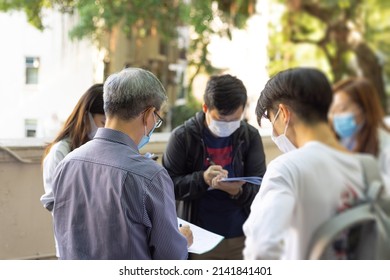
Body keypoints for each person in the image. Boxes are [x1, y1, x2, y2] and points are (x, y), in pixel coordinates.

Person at [52, 68, 190, 259]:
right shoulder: (150, 176)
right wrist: (182, 240)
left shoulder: (67, 164)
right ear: (148, 114)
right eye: (156, 119)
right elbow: (169, 257)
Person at [243, 67, 369, 259]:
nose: (275, 134)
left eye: (272, 120)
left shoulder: (286, 170)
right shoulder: (366, 166)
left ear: (284, 113)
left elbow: (262, 249)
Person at [162, 74, 266, 260]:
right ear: (205, 108)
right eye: (220, 119)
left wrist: (237, 192)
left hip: (241, 236)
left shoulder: (249, 137)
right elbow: (167, 188)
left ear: (242, 110)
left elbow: (260, 187)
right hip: (196, 237)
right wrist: (202, 179)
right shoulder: (183, 137)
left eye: (234, 119)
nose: (227, 125)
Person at [40, 84, 105, 257]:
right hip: (74, 246)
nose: (105, 131)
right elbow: (61, 206)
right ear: (85, 117)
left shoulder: (101, 149)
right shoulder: (60, 152)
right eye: (103, 123)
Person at [329, 77, 390, 185]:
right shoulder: (339, 143)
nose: (336, 117)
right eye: (333, 111)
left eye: (342, 109)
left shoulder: (385, 147)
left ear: (365, 108)